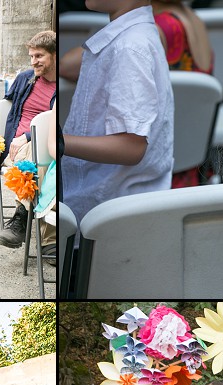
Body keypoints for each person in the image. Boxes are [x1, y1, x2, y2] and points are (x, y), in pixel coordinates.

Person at [59, 0, 211, 188]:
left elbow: (66, 66)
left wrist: (59, 141)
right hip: (187, 156)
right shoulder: (194, 19)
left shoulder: (150, 34)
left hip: (140, 174)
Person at [61, 0, 174, 227]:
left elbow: (131, 147)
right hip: (114, 203)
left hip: (108, 209)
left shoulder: (130, 47)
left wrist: (60, 141)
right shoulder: (130, 37)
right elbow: (68, 66)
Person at [0, 30, 57, 252]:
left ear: (55, 55)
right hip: (17, 150)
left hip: (46, 145)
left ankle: (22, 220)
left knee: (48, 164)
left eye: (39, 56)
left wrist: (29, 136)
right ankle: (45, 238)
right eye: (31, 56)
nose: (34, 61)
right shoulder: (25, 79)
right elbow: (4, 108)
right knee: (40, 163)